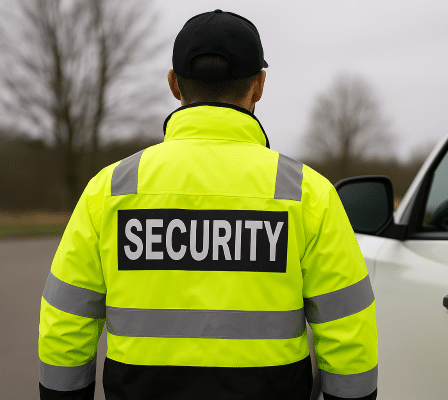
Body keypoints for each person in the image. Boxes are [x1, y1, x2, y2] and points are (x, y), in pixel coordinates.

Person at [38, 9, 378, 400]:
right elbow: (349, 331)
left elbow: (65, 324)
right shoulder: (308, 195)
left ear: (174, 84)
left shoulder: (110, 191)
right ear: (259, 85)